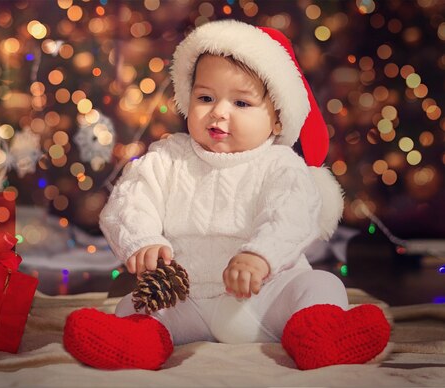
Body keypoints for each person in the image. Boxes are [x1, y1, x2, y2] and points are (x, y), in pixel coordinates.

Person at [63, 19, 390, 371]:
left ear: (278, 118)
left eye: (241, 103)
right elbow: (130, 200)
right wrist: (142, 241)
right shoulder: (167, 156)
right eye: (205, 97)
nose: (218, 112)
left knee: (320, 284)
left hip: (266, 297)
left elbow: (293, 215)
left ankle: (318, 335)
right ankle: (139, 341)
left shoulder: (280, 164)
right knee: (135, 304)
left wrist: (260, 256)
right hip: (184, 298)